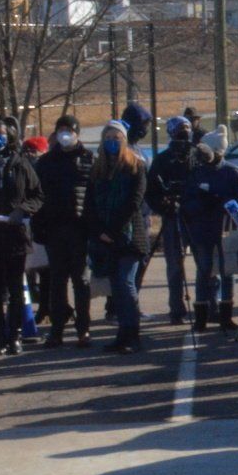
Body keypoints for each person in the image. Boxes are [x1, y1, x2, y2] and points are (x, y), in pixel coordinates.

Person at [0, 120, 43, 355]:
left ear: (9, 137)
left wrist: (22, 210)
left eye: (2, 134)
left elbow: (37, 195)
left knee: (16, 288)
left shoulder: (20, 162)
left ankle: (15, 335)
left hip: (15, 233)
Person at [84, 121, 151, 354]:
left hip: (129, 236)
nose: (112, 142)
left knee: (125, 283)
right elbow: (89, 204)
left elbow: (135, 201)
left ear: (124, 140)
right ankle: (122, 334)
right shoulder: (98, 169)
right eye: (108, 138)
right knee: (116, 286)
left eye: (117, 138)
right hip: (105, 238)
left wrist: (113, 230)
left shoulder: (136, 166)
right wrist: (99, 231)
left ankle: (133, 334)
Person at [33, 117, 95, 347]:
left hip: (80, 228)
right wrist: (38, 226)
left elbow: (94, 194)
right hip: (54, 227)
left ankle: (83, 329)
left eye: (69, 130)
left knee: (81, 280)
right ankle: (56, 330)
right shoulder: (46, 161)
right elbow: (38, 195)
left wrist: (93, 226)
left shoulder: (89, 159)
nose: (65, 134)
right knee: (57, 281)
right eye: (61, 130)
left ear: (77, 132)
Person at [180, 132, 238, 333]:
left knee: (227, 272)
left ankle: (226, 315)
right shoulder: (195, 173)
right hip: (201, 231)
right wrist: (200, 203)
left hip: (225, 231)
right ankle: (201, 317)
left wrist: (220, 202)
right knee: (204, 271)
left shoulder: (233, 173)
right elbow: (186, 202)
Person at [147, 117, 197, 324]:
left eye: (187, 129)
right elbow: (151, 191)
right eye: (179, 130)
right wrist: (164, 206)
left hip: (196, 216)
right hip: (172, 217)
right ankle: (176, 309)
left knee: (205, 263)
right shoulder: (163, 160)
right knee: (175, 265)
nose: (184, 134)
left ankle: (208, 305)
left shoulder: (197, 155)